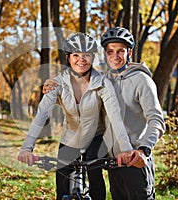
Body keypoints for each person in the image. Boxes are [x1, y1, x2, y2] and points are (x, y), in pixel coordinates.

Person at [43, 27, 166, 199]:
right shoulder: (104, 80)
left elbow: (157, 120)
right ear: (105, 54)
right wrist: (54, 93)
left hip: (136, 161)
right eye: (110, 51)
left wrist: (144, 150)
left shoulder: (142, 80)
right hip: (114, 164)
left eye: (120, 51)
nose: (115, 56)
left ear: (129, 52)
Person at [17, 32, 133, 200]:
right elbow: (41, 114)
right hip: (69, 138)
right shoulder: (57, 83)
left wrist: (127, 150)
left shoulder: (103, 84)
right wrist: (27, 148)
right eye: (76, 55)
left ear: (92, 57)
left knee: (95, 176)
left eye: (86, 55)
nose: (81, 59)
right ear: (68, 58)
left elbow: (115, 117)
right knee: (62, 183)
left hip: (96, 137)